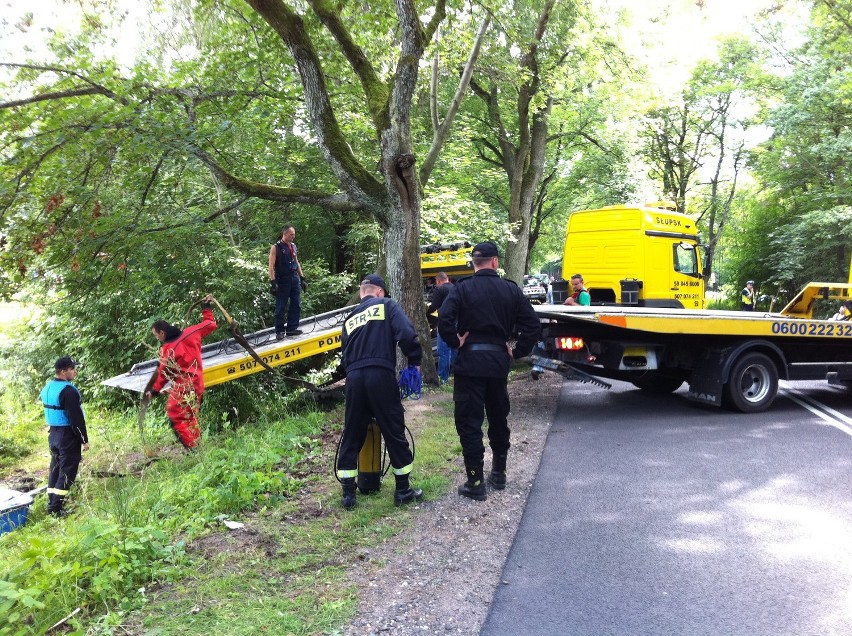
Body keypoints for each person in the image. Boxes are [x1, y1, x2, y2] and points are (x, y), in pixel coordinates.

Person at [438, 242, 541, 501]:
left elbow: (444, 320)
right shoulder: (511, 290)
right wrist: (517, 351)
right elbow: (533, 324)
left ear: (475, 263)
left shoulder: (462, 289)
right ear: (494, 262)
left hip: (470, 363)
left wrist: (454, 341)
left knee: (469, 422)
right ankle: (499, 473)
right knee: (498, 418)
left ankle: (475, 481)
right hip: (497, 363)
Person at [336, 274, 424, 509]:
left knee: (352, 432)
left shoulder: (349, 318)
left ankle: (348, 494)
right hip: (380, 374)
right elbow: (406, 333)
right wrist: (414, 361)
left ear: (362, 291)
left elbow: (343, 355)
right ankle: (403, 490)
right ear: (380, 292)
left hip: (354, 378)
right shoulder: (387, 305)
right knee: (393, 429)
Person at [145, 295, 217, 449]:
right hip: (198, 384)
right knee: (191, 416)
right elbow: (210, 324)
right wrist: (206, 308)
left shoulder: (167, 350)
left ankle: (193, 449)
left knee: (175, 416)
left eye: (156, 335)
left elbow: (162, 373)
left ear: (162, 333)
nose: (157, 338)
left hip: (184, 387)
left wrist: (153, 390)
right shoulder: (192, 332)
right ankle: (198, 446)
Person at [41, 356, 88, 517]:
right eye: (72, 368)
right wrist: (84, 439)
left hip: (53, 433)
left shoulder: (48, 387)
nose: (75, 371)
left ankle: (52, 501)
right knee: (68, 470)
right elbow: (75, 418)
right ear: (63, 372)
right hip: (66, 435)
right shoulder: (68, 391)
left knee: (55, 468)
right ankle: (55, 509)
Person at [268, 225, 306, 340]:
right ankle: (279, 331)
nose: (293, 236)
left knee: (296, 304)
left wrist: (302, 278)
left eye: (294, 234)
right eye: (291, 234)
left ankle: (291, 329)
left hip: (294, 278)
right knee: (281, 306)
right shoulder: (276, 247)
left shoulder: (293, 246)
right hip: (282, 279)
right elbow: (271, 265)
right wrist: (273, 281)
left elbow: (296, 262)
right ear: (285, 234)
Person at [427, 271, 457, 383]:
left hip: (444, 322)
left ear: (438, 281)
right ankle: (457, 375)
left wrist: (427, 313)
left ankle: (443, 378)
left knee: (443, 351)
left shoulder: (439, 289)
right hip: (457, 322)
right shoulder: (455, 288)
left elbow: (434, 306)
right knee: (455, 348)